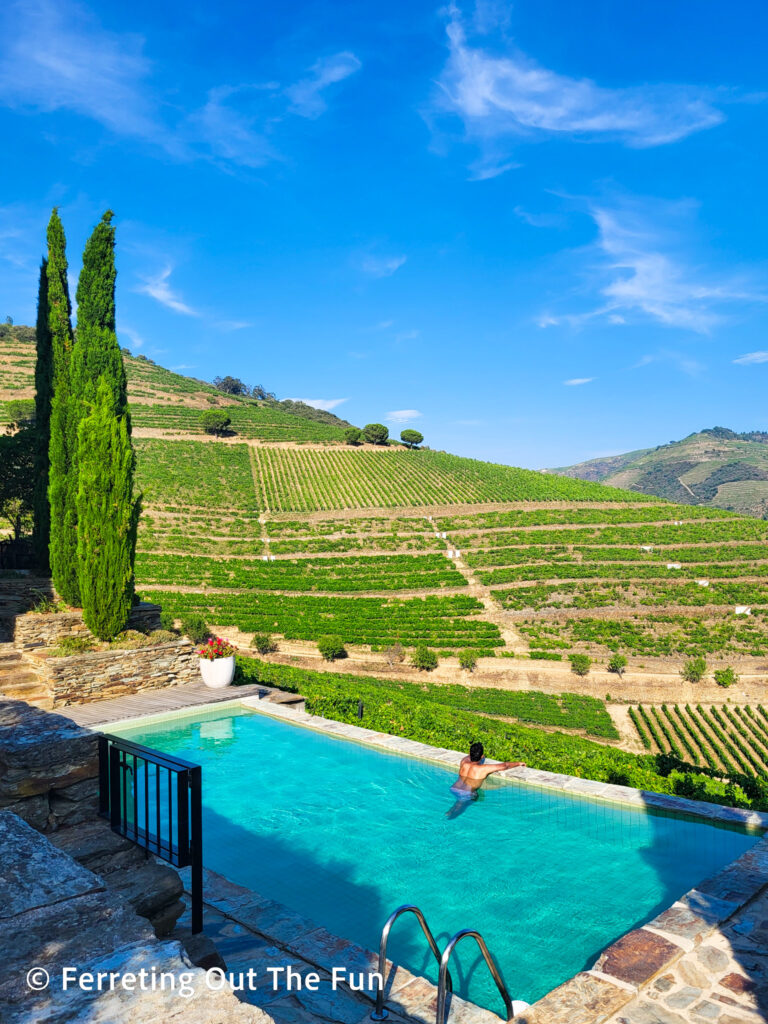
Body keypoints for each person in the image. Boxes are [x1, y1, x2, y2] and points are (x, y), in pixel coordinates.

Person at [445, 742, 525, 819]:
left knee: (458, 803)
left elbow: (469, 755)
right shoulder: (483, 769)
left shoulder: (464, 762)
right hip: (466, 793)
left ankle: (449, 813)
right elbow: (505, 766)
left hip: (454, 788)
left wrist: (476, 753)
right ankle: (449, 816)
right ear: (481, 756)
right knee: (464, 803)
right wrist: (518, 763)